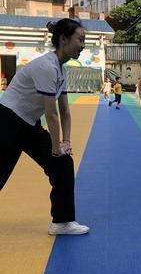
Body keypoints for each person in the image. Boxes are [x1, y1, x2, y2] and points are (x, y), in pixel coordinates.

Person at [0, 19, 90, 235]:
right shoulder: (46, 66)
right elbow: (51, 114)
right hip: (8, 121)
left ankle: (61, 222)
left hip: (28, 123)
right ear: (63, 39)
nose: (83, 45)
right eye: (80, 39)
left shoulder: (61, 70)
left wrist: (66, 143)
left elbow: (65, 111)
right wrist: (55, 146)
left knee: (63, 164)